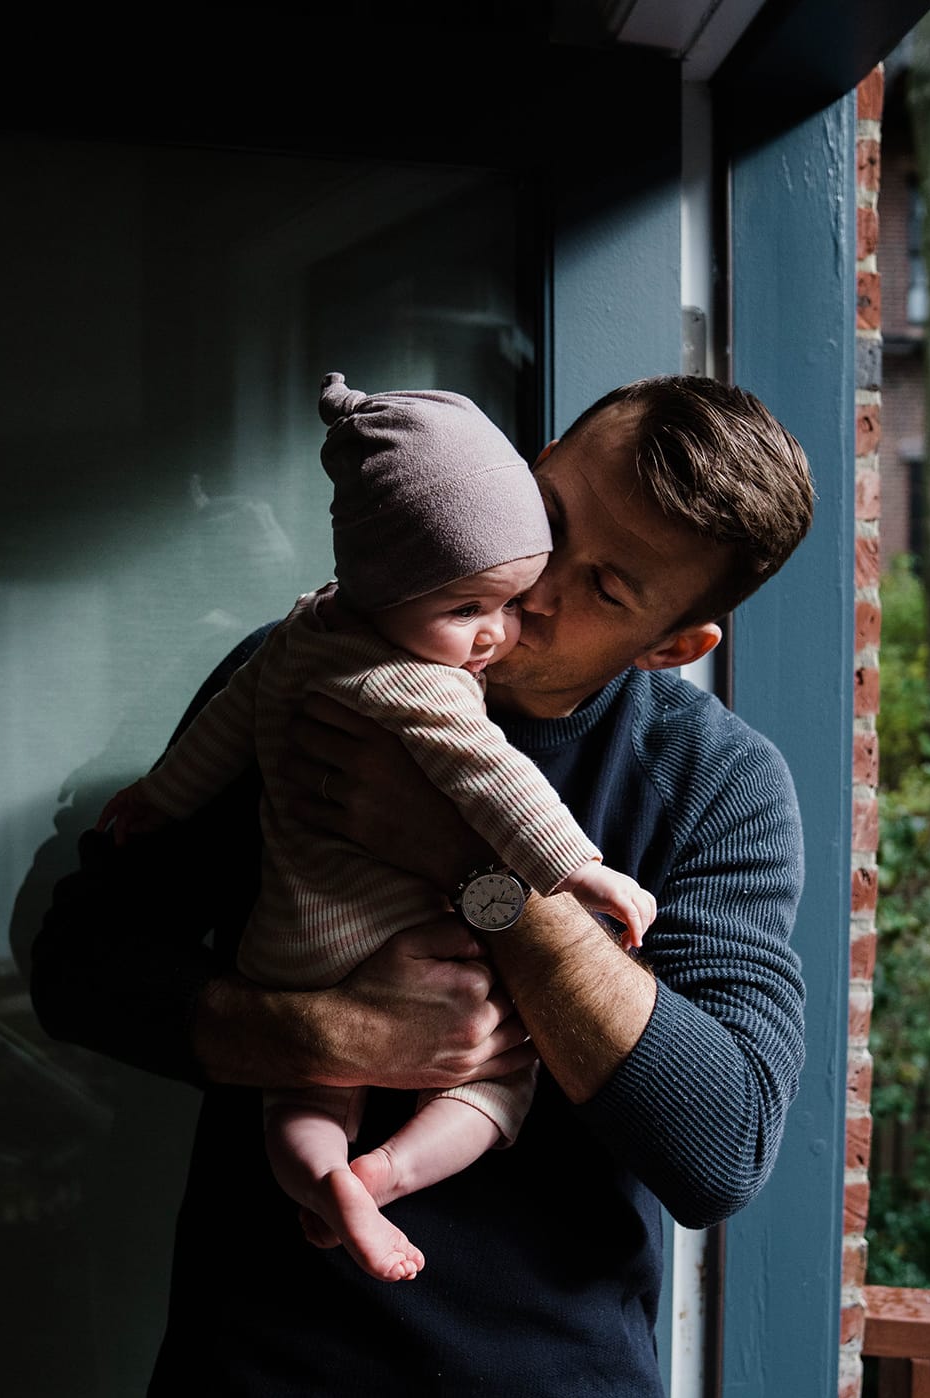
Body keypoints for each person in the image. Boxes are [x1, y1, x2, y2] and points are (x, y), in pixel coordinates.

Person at [30, 372, 816, 1398]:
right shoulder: (307, 673)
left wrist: (471, 868)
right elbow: (78, 967)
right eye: (546, 515)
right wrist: (327, 1032)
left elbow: (718, 1143)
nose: (530, 587)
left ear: (675, 643)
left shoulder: (711, 782)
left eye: (602, 586)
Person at [97, 374, 656, 1284]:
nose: (503, 629)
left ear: (676, 640)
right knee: (496, 1077)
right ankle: (384, 1174)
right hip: (383, 937)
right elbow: (494, 774)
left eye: (510, 600)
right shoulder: (420, 682)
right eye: (470, 608)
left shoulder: (298, 634)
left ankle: (326, 1179)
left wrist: (160, 795)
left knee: (297, 1104)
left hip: (283, 943)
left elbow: (226, 728)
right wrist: (575, 871)